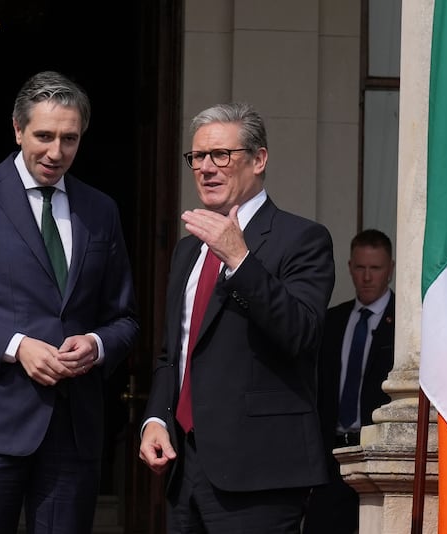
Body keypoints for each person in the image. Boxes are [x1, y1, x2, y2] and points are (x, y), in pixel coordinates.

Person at [0, 70, 139, 534]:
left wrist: (96, 344)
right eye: (44, 136)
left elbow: (125, 318)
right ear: (17, 130)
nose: (56, 152)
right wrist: (17, 346)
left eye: (70, 139)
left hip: (73, 434)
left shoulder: (100, 209)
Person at [138, 102, 336, 533]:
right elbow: (175, 352)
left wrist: (240, 259)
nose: (206, 168)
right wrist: (156, 418)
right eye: (198, 158)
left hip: (260, 474)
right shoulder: (188, 249)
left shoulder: (302, 239)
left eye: (221, 155)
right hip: (184, 470)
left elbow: (301, 333)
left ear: (259, 159)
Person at [302, 228, 396, 534]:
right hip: (332, 459)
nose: (367, 277)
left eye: (376, 268)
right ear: (350, 268)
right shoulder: (331, 321)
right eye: (360, 267)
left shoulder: (406, 324)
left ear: (391, 270)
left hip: (380, 457)